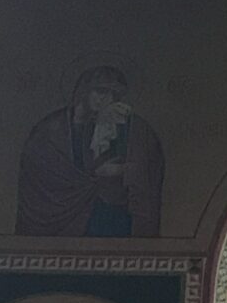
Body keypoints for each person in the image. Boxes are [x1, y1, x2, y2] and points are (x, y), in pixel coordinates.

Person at [17, 65, 164, 237]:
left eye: (113, 95)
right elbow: (36, 168)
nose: (106, 99)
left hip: (109, 212)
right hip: (61, 211)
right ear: (85, 90)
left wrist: (119, 170)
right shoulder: (52, 128)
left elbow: (149, 164)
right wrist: (87, 177)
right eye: (100, 91)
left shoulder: (127, 126)